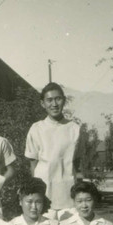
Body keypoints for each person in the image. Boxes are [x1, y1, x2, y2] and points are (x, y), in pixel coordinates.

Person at [25, 82, 80, 215]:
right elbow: (33, 164)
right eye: (49, 100)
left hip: (67, 191)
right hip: (44, 191)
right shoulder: (36, 128)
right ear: (43, 104)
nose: (54, 104)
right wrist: (36, 192)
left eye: (58, 99)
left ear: (64, 100)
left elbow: (77, 163)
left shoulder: (74, 128)